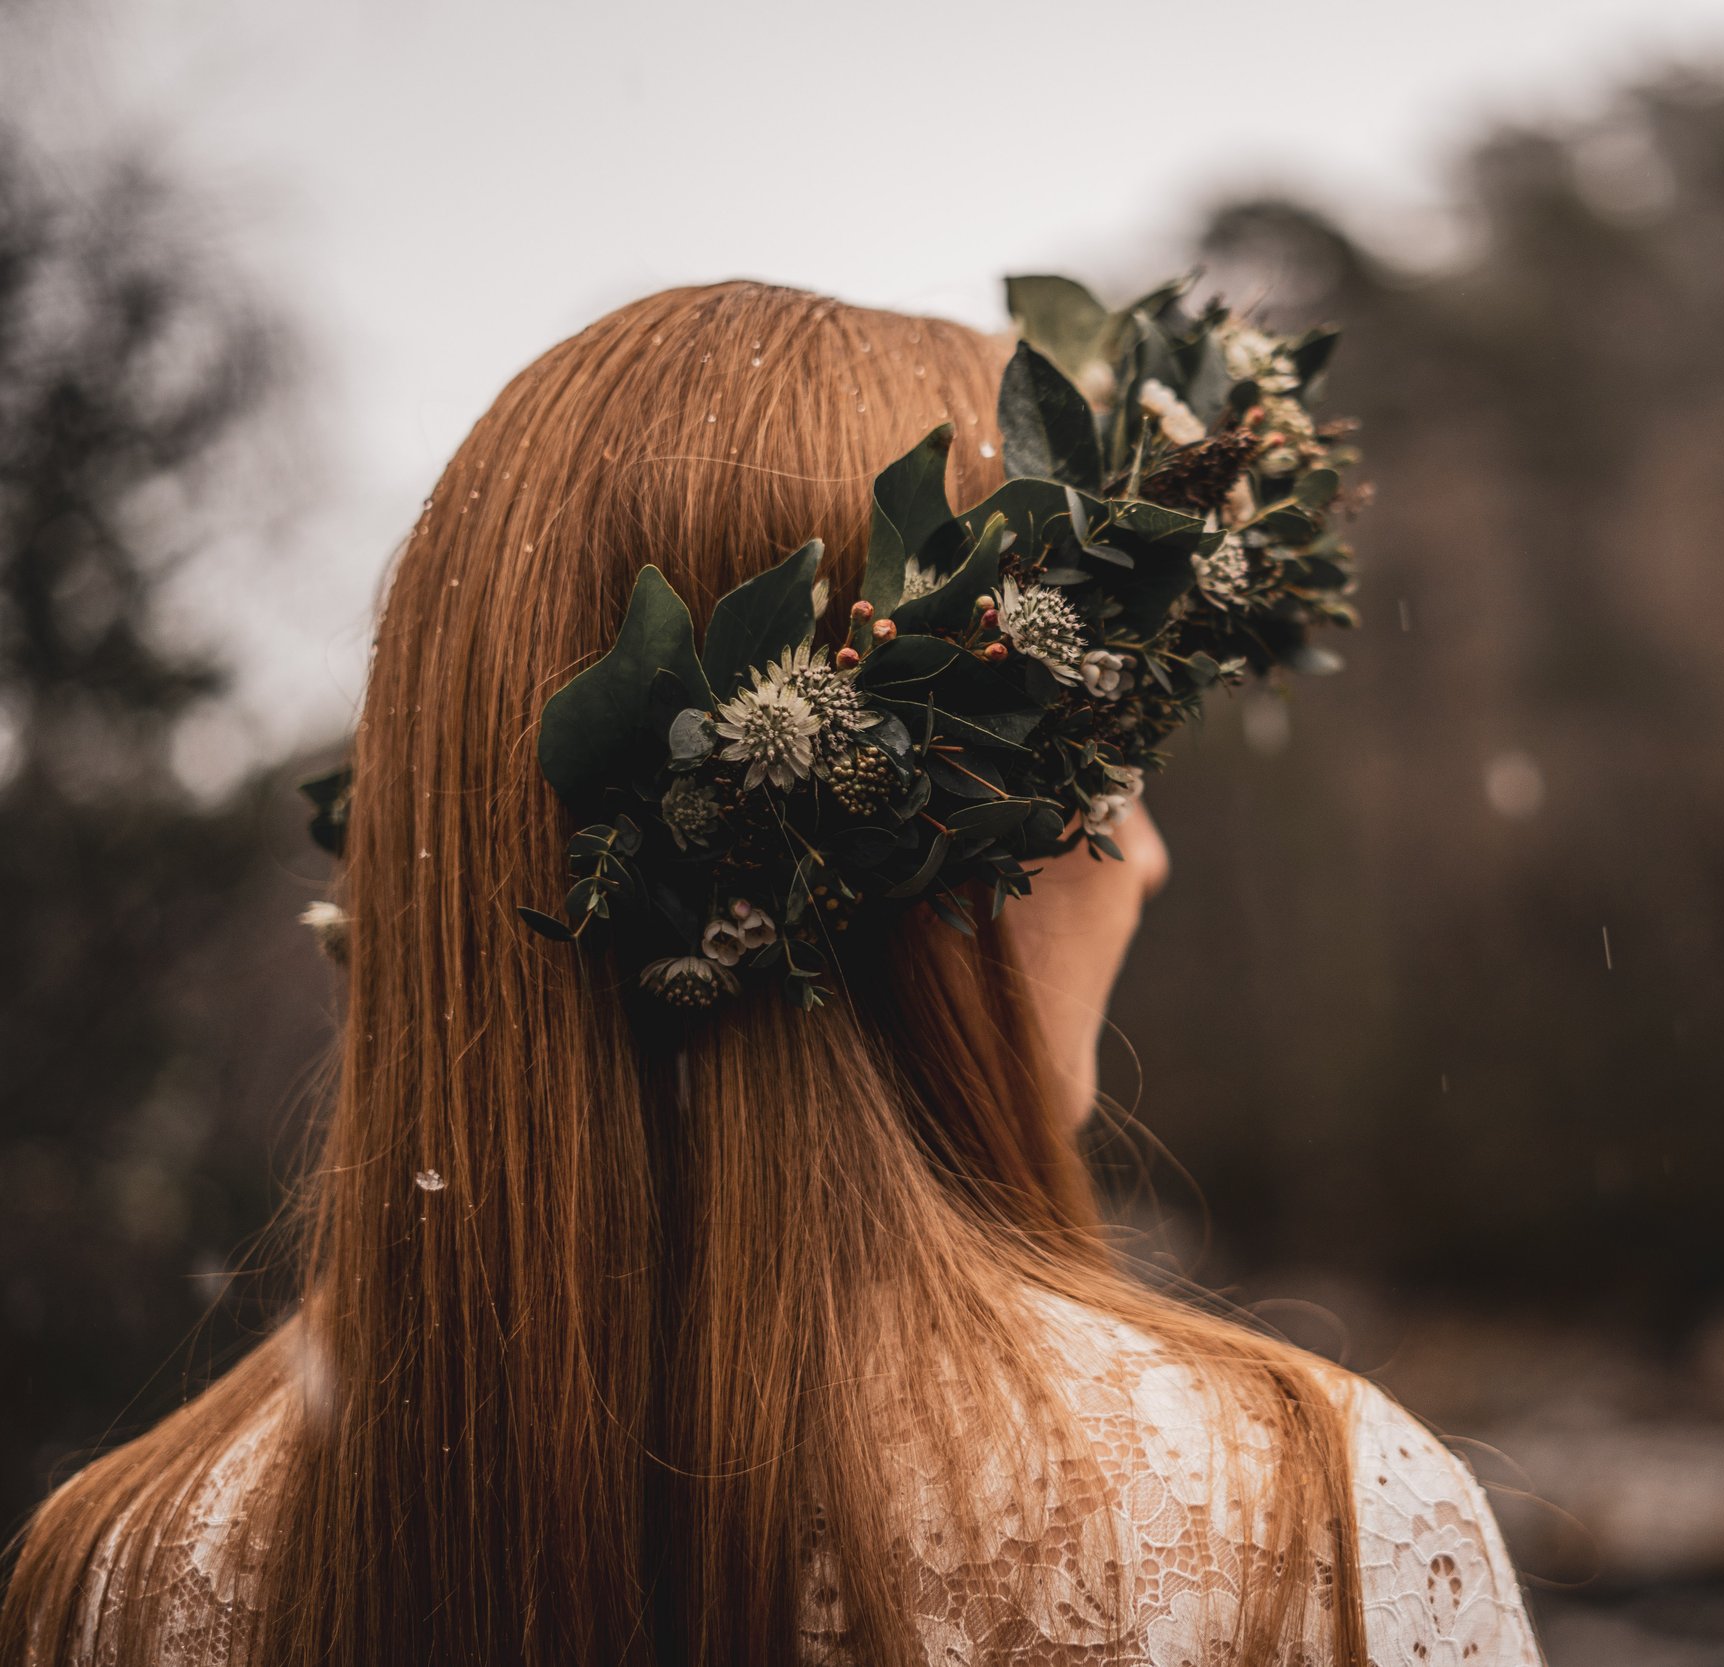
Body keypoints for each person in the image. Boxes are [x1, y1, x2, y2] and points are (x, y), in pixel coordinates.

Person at [0, 279, 1542, 1666]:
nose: (1144, 861)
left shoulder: (115, 1575)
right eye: (1102, 773)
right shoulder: (1299, 1532)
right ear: (905, 844)